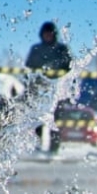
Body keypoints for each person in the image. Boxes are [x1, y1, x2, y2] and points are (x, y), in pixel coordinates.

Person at [26, 21, 73, 152]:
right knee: (37, 120)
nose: (48, 36)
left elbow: (70, 67)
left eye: (50, 33)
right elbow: (29, 68)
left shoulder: (62, 49)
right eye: (46, 34)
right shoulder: (36, 49)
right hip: (40, 91)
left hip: (58, 91)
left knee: (57, 122)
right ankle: (37, 147)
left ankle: (54, 150)